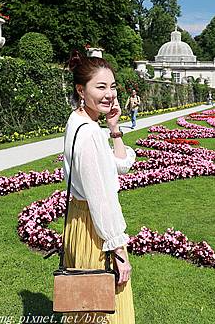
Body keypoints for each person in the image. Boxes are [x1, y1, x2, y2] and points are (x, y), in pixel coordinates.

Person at [63, 50, 136, 323]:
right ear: (81, 90)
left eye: (113, 87)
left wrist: (114, 128)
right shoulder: (90, 134)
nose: (110, 94)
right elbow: (101, 198)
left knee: (85, 305)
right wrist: (118, 251)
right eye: (101, 87)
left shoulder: (78, 121)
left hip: (79, 223)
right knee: (105, 309)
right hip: (96, 232)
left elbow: (120, 164)